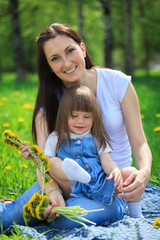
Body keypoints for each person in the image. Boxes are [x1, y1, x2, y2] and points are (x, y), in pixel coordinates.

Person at [0, 22, 152, 231]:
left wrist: (144, 172)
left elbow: (140, 142)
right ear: (49, 67)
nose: (66, 63)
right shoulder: (47, 105)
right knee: (6, 220)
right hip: (63, 185)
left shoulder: (117, 83)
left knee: (64, 220)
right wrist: (52, 190)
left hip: (109, 191)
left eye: (69, 51)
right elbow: (43, 162)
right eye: (55, 58)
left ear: (82, 49)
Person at [44, 84, 142, 218]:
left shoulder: (96, 137)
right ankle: (72, 172)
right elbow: (44, 166)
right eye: (74, 116)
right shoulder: (56, 137)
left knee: (131, 173)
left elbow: (106, 161)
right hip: (71, 187)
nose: (80, 121)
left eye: (87, 116)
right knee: (51, 161)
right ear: (64, 115)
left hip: (99, 184)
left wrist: (115, 170)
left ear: (94, 117)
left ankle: (136, 216)